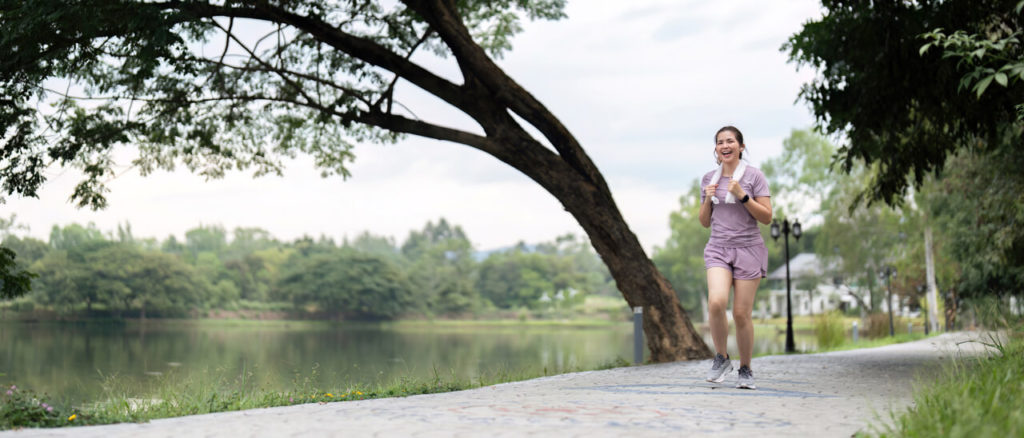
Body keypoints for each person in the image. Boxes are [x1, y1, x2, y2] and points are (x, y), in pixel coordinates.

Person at [698, 126, 772, 389]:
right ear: (716, 149)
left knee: (741, 314)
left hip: (748, 249)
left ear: (741, 146)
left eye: (730, 141)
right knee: (716, 302)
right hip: (718, 248)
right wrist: (707, 199)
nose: (725, 145)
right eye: (720, 142)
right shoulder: (709, 179)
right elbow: (704, 222)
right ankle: (722, 358)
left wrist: (742, 195)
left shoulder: (754, 176)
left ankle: (746, 369)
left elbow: (766, 216)